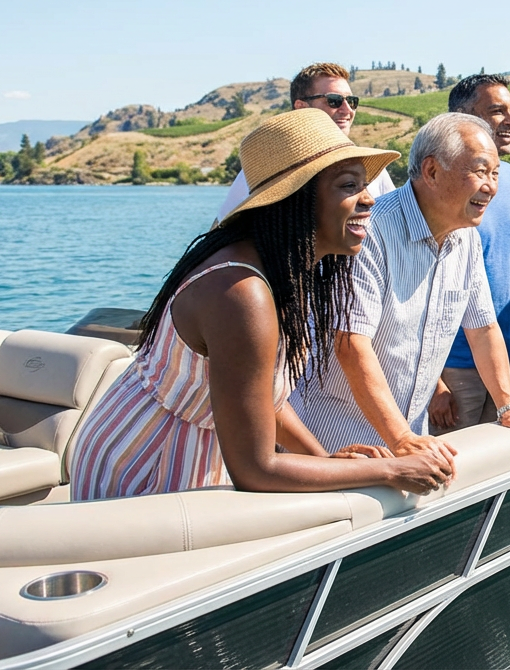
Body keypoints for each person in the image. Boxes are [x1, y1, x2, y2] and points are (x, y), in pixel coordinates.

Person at [70, 109, 447, 500]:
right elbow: (256, 468)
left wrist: (325, 460)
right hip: (148, 461)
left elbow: (267, 399)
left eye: (364, 184)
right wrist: (389, 468)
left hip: (192, 448)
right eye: (349, 185)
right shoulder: (242, 294)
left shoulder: (277, 270)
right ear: (296, 199)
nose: (369, 199)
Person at [294, 112, 510, 477]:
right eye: (480, 171)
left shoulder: (464, 237)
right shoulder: (370, 231)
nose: (491, 187)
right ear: (431, 172)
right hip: (338, 441)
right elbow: (350, 343)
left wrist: (508, 407)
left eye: (495, 174)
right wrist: (401, 439)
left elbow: (483, 330)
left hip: (413, 442)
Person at [428, 75, 510, 434]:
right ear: (463, 118)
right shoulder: (439, 190)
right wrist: (433, 383)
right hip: (451, 369)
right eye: (497, 111)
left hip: (507, 360)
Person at [215, 63, 397, 223]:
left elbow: (394, 227)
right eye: (334, 101)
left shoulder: (372, 168)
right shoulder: (267, 171)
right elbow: (222, 233)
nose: (347, 109)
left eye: (351, 101)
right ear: (301, 107)